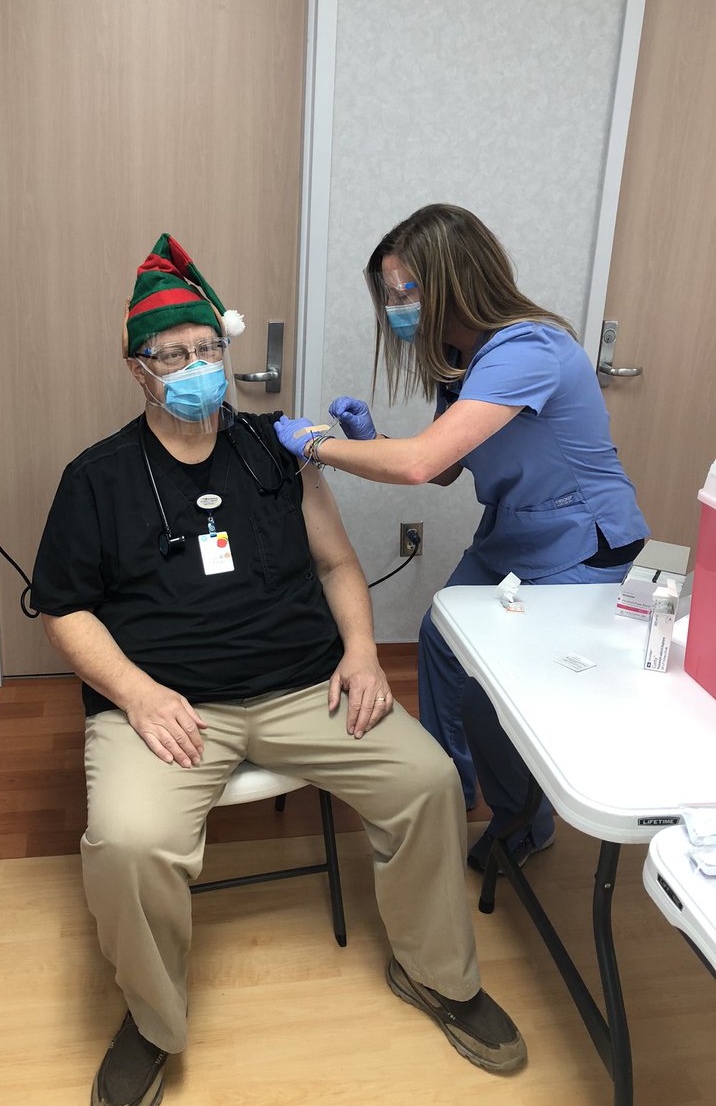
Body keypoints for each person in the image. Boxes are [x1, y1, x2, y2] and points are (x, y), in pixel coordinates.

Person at [32, 233, 527, 1106]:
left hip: (307, 687)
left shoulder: (274, 450)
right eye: (172, 356)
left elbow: (339, 566)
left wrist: (364, 654)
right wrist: (139, 696)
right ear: (140, 373)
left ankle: (435, 977)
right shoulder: (96, 480)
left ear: (226, 353)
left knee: (426, 783)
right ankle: (151, 1022)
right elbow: (65, 609)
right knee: (130, 841)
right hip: (171, 706)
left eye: (207, 350)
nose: (195, 368)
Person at [274, 204, 648, 874]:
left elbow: (420, 465)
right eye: (390, 295)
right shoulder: (463, 358)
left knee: (494, 687)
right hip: (516, 533)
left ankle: (520, 821)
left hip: (582, 543)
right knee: (442, 643)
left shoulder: (528, 349)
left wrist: (319, 445)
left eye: (405, 292)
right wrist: (368, 439)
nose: (395, 307)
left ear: (453, 279)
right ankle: (448, 794)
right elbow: (444, 469)